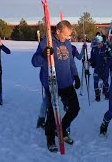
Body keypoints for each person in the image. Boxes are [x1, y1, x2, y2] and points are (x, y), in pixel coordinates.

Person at [31, 20, 81, 153]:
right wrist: (43, 54)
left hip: (67, 82)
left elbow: (71, 62)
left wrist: (75, 75)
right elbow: (34, 62)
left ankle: (62, 129)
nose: (67, 38)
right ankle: (50, 138)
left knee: (75, 108)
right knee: (52, 113)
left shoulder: (67, 43)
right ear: (58, 31)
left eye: (69, 36)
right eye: (65, 35)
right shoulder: (46, 42)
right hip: (52, 83)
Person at [90, 36, 112, 101]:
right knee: (95, 82)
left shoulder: (106, 48)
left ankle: (106, 92)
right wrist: (90, 61)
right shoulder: (94, 49)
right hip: (97, 69)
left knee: (105, 82)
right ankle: (97, 95)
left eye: (99, 43)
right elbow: (92, 58)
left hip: (105, 69)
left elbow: (111, 58)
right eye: (96, 43)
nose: (97, 45)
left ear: (102, 42)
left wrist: (107, 61)